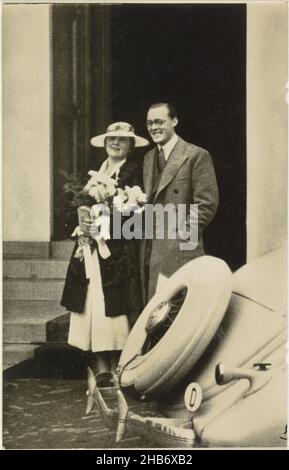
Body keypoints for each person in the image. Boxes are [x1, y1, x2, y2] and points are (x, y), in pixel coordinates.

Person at [61, 122, 149, 413]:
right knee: (90, 305)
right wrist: (84, 222)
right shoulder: (95, 170)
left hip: (115, 250)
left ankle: (117, 370)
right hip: (90, 246)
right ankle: (100, 369)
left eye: (122, 140)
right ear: (105, 142)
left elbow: (136, 215)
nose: (116, 143)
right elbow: (80, 205)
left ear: (130, 146)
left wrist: (107, 221)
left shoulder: (133, 173)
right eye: (112, 139)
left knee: (113, 306)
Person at [141, 102, 219, 302]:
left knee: (178, 310)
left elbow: (206, 205)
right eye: (149, 123)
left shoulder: (195, 155)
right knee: (155, 311)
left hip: (182, 250)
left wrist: (179, 239)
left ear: (174, 121)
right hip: (152, 248)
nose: (153, 128)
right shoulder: (149, 158)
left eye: (159, 121)